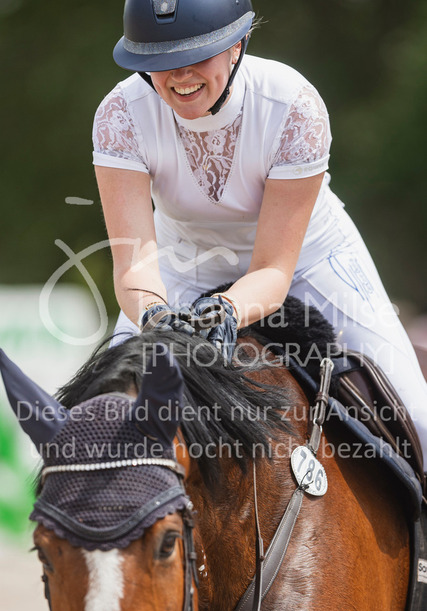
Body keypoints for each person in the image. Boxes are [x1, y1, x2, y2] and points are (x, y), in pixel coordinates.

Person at [92, 0, 427, 470]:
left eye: (197, 56)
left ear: (238, 45)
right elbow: (134, 264)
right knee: (101, 416)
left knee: (418, 417)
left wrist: (226, 309)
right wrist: (154, 315)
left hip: (309, 259)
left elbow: (272, 269)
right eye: (160, 60)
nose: (180, 75)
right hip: (181, 262)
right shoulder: (120, 114)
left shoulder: (293, 105)